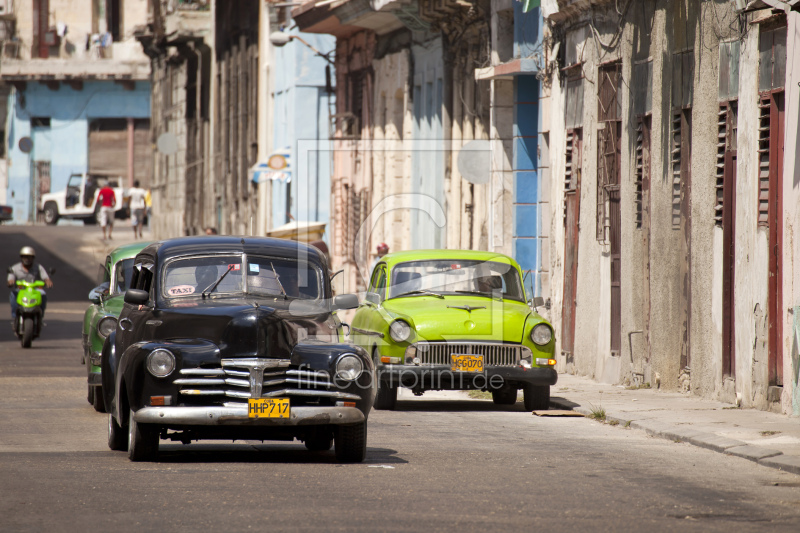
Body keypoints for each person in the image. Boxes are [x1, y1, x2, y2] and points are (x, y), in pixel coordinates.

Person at [7, 246, 53, 317]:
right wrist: (10, 282)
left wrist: (48, 281)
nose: (27, 259)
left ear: (33, 258)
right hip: (21, 289)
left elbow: (45, 277)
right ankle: (15, 315)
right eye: (25, 257)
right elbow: (10, 279)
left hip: (35, 290)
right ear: (21, 257)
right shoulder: (15, 268)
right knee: (13, 295)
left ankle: (40, 314)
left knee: (43, 295)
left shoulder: (38, 267)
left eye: (29, 257)